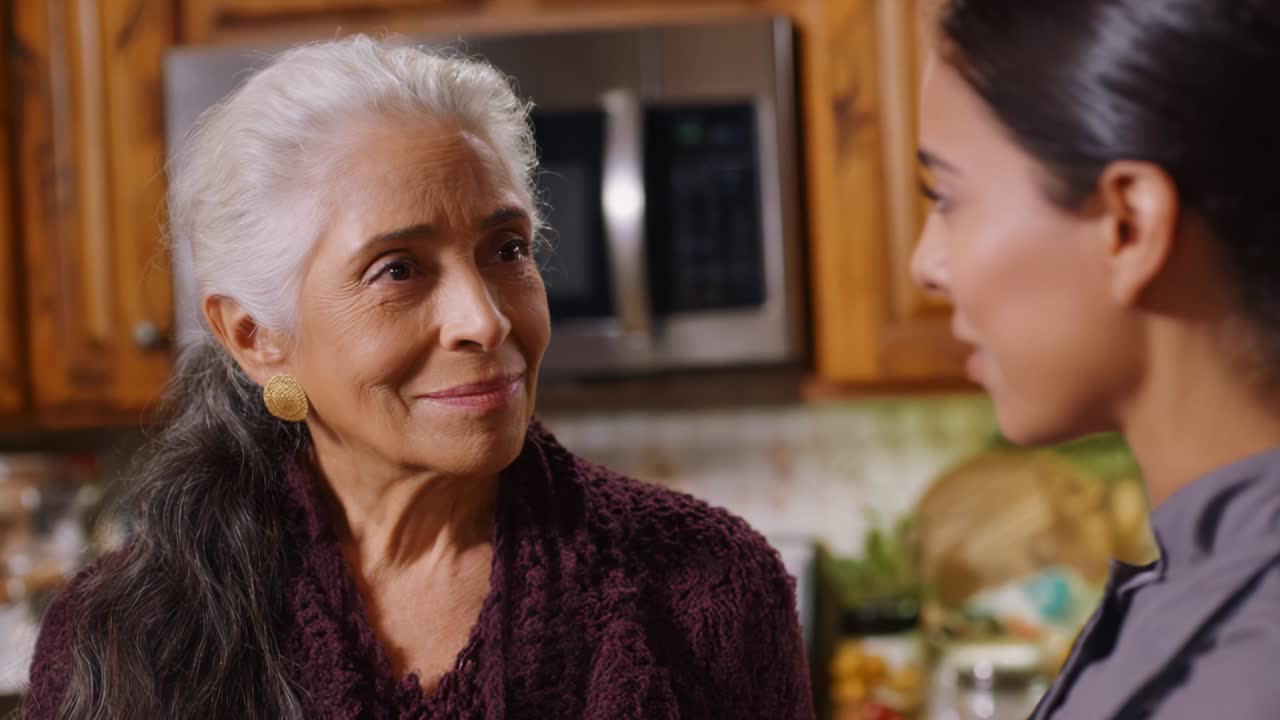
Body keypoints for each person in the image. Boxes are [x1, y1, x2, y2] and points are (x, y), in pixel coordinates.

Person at [22, 36, 813, 720]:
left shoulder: (708, 585)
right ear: (255, 336)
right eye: (397, 269)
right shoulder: (120, 634)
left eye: (506, 249)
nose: (487, 320)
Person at [911, 1, 1280, 717]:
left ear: (1128, 225)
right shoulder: (1209, 590)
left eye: (947, 198)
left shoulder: (1240, 674)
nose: (923, 264)